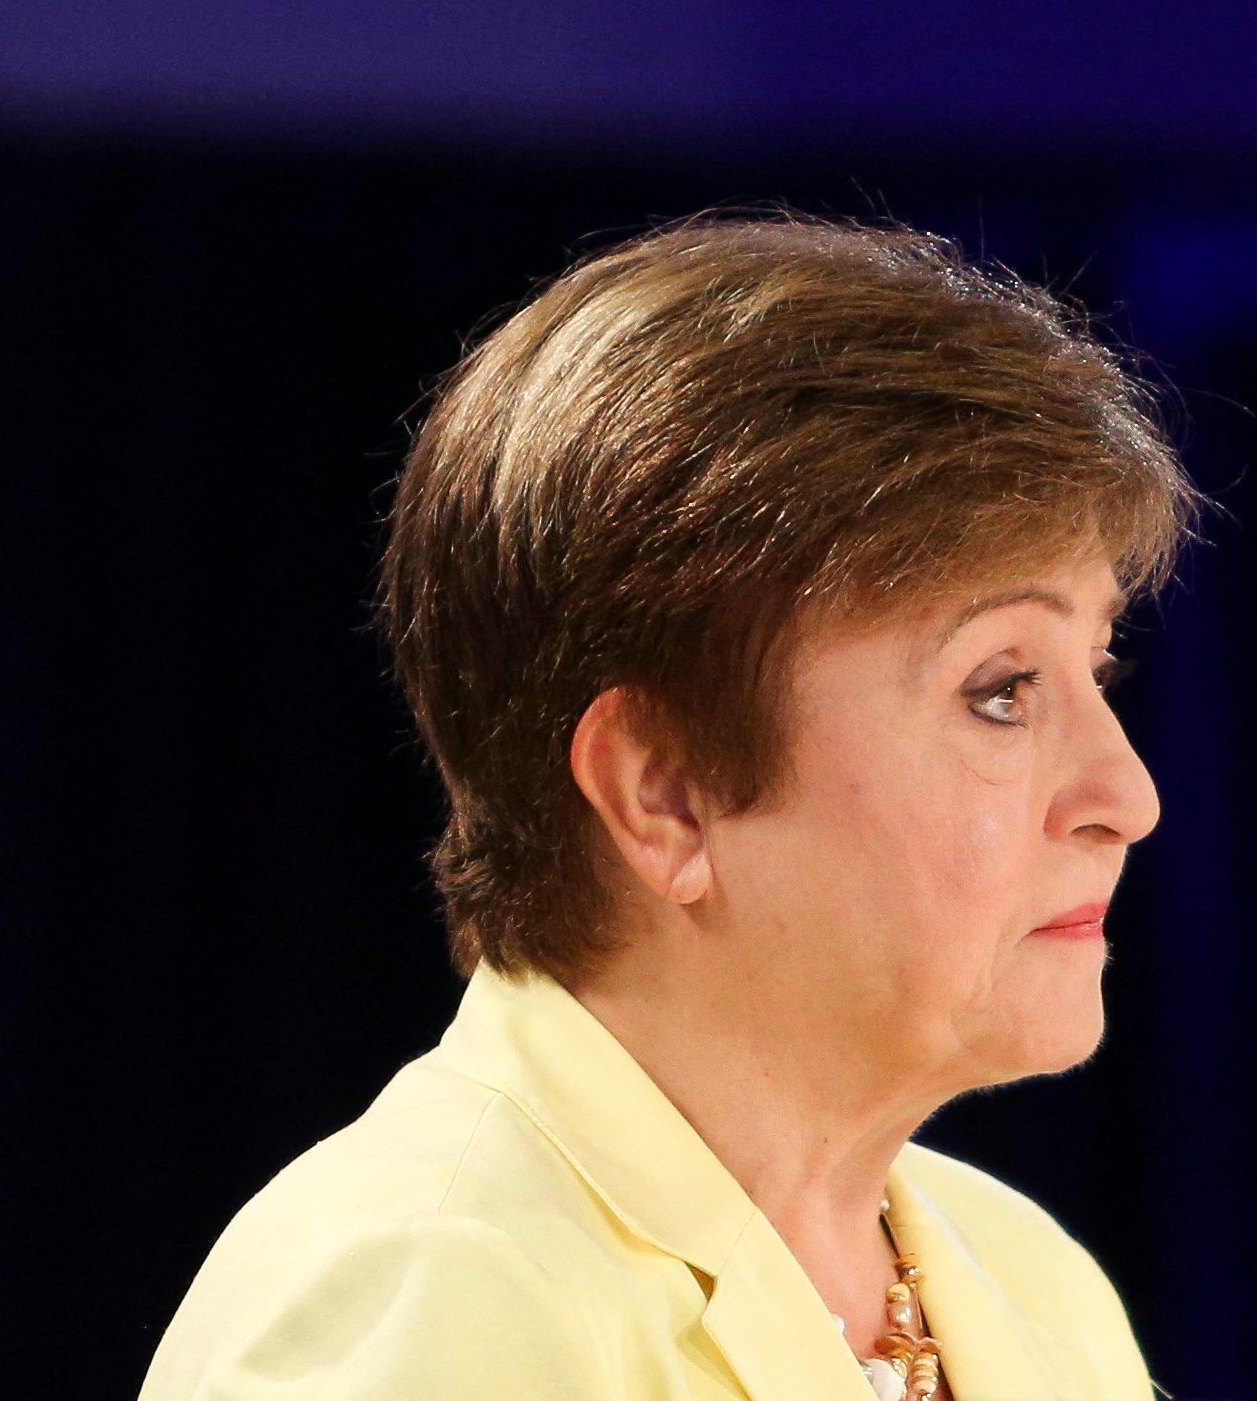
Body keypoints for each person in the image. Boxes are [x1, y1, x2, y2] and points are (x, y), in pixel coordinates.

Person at [141, 211, 1196, 1401]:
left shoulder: (1028, 1281)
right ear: (665, 791)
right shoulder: (428, 1296)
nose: (1128, 796)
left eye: (1092, 671)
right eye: (1000, 689)